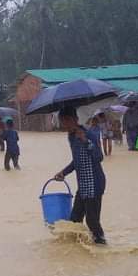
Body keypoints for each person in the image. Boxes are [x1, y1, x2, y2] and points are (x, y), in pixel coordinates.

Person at [53, 105, 107, 245]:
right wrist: (63, 172)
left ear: (76, 119)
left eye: (67, 121)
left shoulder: (89, 134)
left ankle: (102, 246)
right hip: (83, 185)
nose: (65, 125)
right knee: (74, 219)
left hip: (95, 185)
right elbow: (76, 161)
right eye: (62, 122)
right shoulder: (71, 137)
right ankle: (78, 248)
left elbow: (99, 157)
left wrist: (86, 141)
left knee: (92, 221)